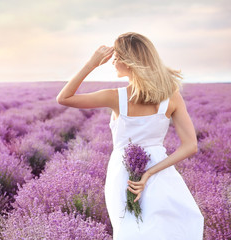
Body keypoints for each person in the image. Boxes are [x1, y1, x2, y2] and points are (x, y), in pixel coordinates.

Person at [56, 32, 204, 239]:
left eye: (116, 57)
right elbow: (190, 146)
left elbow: (64, 98)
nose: (113, 62)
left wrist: (91, 63)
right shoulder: (171, 95)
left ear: (130, 61)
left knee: (130, 230)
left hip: (123, 174)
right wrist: (149, 173)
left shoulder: (115, 97)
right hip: (160, 171)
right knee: (167, 229)